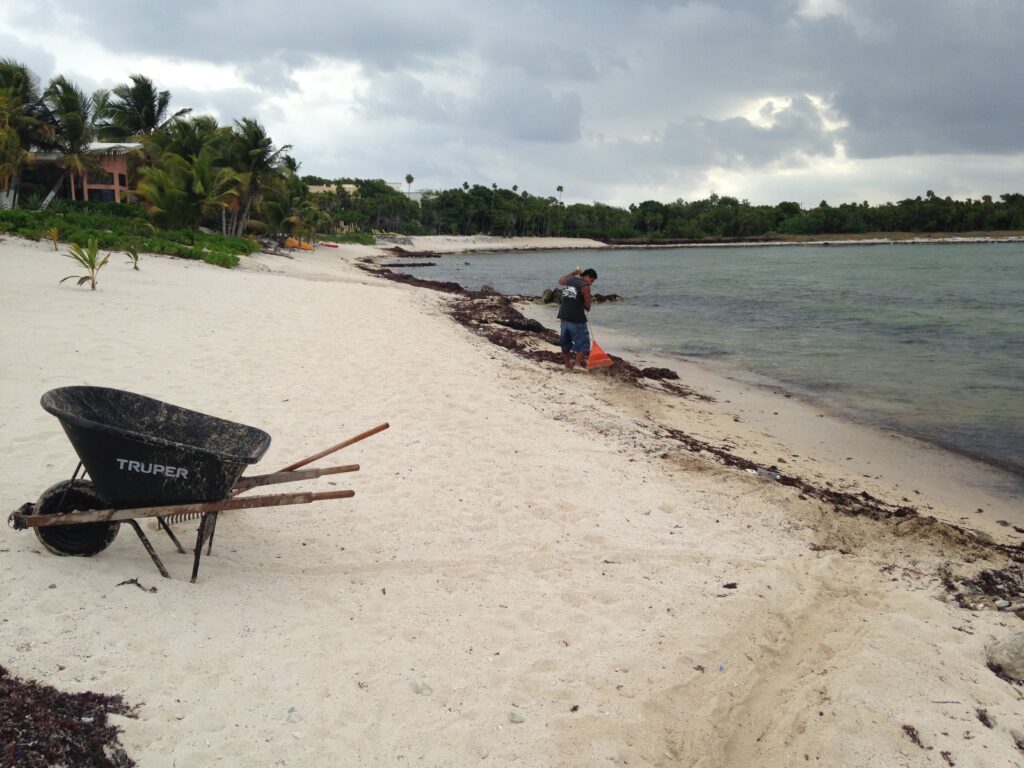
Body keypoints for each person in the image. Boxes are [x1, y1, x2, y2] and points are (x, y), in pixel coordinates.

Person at [557, 267, 598, 370]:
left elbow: (561, 279)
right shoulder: (585, 287)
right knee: (583, 342)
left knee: (565, 342)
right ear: (587, 276)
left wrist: (573, 273)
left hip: (564, 316)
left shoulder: (569, 280)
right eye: (591, 280)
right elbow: (588, 307)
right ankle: (577, 364)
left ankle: (567, 365)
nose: (591, 283)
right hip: (577, 318)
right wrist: (583, 303)